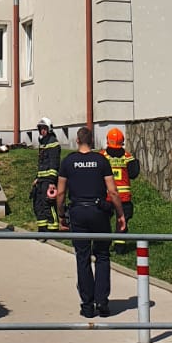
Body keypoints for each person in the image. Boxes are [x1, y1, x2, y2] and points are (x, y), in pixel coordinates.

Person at [55, 125, 126, 318]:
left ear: (77, 141)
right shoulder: (101, 160)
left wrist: (61, 216)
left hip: (77, 212)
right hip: (98, 212)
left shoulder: (68, 162)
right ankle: (102, 302)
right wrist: (120, 214)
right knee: (102, 255)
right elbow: (112, 191)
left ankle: (87, 305)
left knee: (82, 257)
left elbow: (60, 193)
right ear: (92, 141)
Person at [101, 126, 139, 245]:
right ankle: (119, 247)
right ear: (122, 142)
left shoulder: (102, 156)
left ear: (108, 141)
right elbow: (134, 174)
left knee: (103, 222)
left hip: (106, 197)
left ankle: (104, 245)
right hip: (124, 198)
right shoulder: (128, 157)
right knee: (122, 222)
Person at [31, 118, 61, 232]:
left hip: (49, 180)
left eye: (44, 128)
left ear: (49, 129)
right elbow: (41, 164)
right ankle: (42, 230)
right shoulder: (43, 143)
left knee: (48, 205)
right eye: (40, 129)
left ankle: (53, 230)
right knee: (38, 204)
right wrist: (37, 178)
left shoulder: (53, 143)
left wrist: (52, 182)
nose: (42, 131)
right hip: (41, 180)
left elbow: (54, 163)